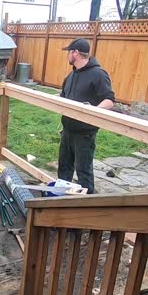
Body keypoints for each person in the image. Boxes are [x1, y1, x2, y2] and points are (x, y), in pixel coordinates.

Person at [57, 38, 115, 194]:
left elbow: (109, 100)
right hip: (67, 130)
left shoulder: (98, 74)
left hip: (85, 133)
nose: (67, 56)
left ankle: (86, 204)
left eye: (69, 52)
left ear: (75, 53)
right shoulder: (70, 76)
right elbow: (63, 97)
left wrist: (92, 111)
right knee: (64, 167)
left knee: (83, 171)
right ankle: (59, 199)